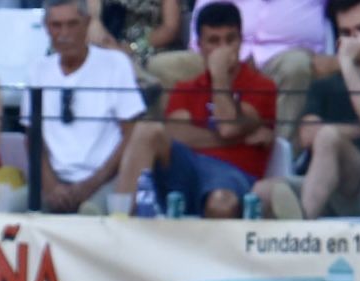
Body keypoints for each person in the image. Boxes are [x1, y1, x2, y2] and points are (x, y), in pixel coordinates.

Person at [255, 0, 360, 219]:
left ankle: (302, 228)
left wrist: (346, 64)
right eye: (346, 32)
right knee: (262, 192)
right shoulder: (324, 85)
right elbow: (307, 135)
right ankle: (297, 226)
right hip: (322, 185)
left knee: (329, 137)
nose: (356, 40)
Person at [113, 2, 276, 218]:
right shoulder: (186, 88)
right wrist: (240, 136)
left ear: (240, 41)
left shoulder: (262, 86)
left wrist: (219, 76)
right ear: (199, 45)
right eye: (214, 41)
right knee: (146, 130)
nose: (223, 49)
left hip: (232, 174)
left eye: (230, 40)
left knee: (221, 203)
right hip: (186, 167)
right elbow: (175, 134)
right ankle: (118, 221)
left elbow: (227, 127)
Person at [146, 0, 330, 147]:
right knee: (162, 66)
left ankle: (278, 153)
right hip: (210, 53)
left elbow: (350, 14)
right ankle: (170, 151)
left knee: (295, 66)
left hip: (283, 56)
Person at [22, 0, 146, 215]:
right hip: (54, 182)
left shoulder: (115, 64)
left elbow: (131, 135)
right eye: (56, 25)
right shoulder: (37, 70)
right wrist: (52, 187)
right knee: (9, 210)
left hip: (105, 180)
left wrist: (89, 185)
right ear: (46, 27)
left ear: (87, 23)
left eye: (72, 24)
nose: (64, 34)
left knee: (90, 213)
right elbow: (33, 138)